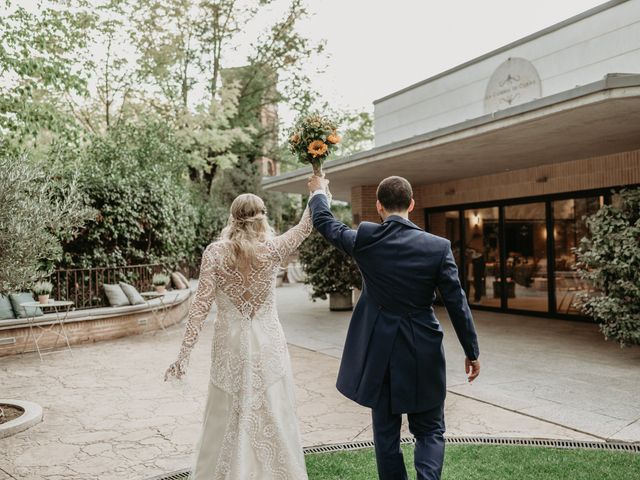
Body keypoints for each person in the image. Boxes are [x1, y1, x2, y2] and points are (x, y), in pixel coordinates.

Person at [307, 175, 480, 480]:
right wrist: (471, 351)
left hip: (381, 352)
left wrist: (319, 191)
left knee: (386, 435)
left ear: (379, 207)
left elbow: (325, 222)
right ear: (412, 204)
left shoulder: (366, 239)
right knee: (430, 430)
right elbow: (457, 303)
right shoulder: (438, 248)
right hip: (423, 349)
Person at [164, 193, 312, 480]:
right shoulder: (273, 249)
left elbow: (200, 306)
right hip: (267, 344)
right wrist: (318, 187)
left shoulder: (215, 253)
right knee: (271, 409)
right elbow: (305, 226)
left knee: (226, 412)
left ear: (233, 217)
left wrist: (184, 354)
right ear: (262, 216)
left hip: (230, 345)